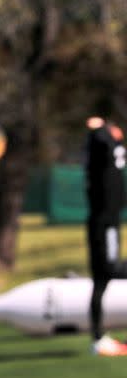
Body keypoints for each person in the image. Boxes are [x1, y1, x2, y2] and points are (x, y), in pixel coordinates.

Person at [84, 116, 127, 356]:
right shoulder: (103, 140)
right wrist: (101, 126)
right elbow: (97, 134)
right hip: (103, 221)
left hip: (109, 218)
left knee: (101, 279)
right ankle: (98, 339)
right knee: (107, 271)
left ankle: (98, 337)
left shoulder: (113, 147)